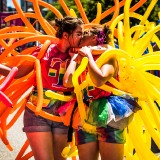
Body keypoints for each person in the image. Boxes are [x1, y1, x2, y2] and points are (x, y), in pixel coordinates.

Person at [0, 16, 84, 160]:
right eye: (79, 34)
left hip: (64, 115)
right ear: (65, 35)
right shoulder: (44, 50)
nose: (82, 38)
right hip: (38, 112)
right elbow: (18, 73)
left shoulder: (80, 55)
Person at [63, 25, 140, 160]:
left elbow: (99, 80)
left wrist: (89, 57)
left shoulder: (108, 56)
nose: (80, 37)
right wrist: (75, 57)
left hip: (109, 114)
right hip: (84, 113)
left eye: (84, 33)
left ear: (94, 38)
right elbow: (68, 82)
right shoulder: (82, 57)